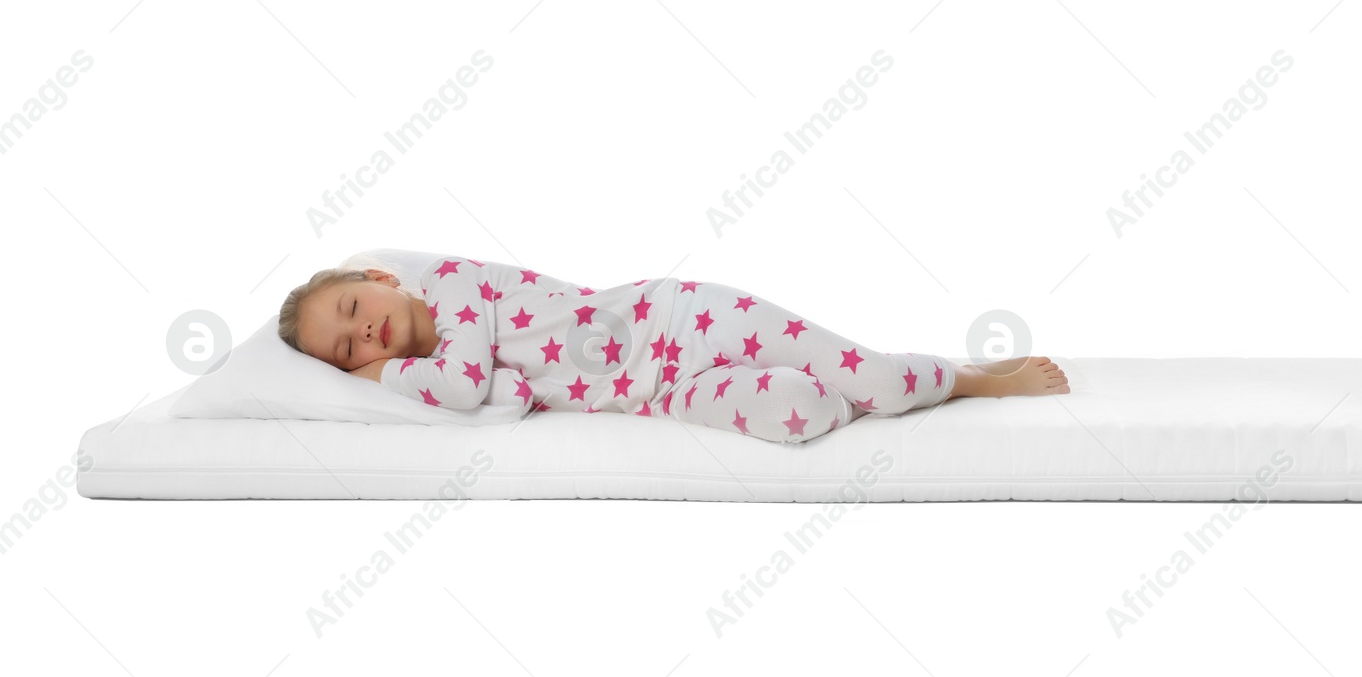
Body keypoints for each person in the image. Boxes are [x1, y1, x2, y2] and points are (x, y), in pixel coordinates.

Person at [278, 254, 1068, 443]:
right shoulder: (460, 362)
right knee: (797, 412)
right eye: (347, 350)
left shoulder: (448, 285)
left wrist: (385, 373)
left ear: (381, 278)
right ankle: (839, 394)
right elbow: (507, 400)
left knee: (882, 384)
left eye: (354, 308)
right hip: (656, 393)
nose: (364, 334)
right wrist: (471, 388)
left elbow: (462, 390)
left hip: (675, 322)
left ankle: (970, 379)